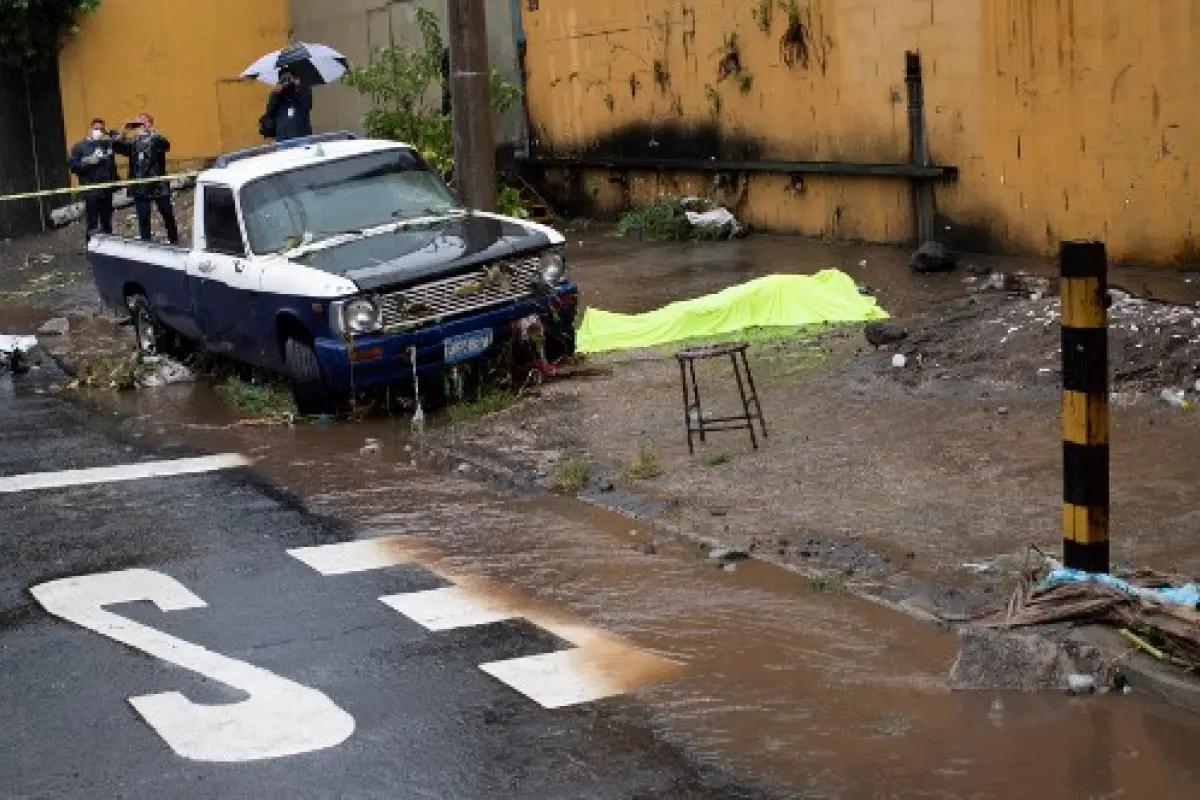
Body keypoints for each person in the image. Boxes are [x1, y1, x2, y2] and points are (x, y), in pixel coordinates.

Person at [113, 113, 178, 245]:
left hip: (158, 185)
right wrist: (123, 132)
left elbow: (166, 145)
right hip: (139, 186)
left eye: (143, 122)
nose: (140, 125)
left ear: (150, 124)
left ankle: (174, 239)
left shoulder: (156, 140)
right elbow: (116, 146)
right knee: (143, 217)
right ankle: (146, 242)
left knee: (167, 213)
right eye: (138, 122)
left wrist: (152, 133)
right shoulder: (133, 143)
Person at [68, 118, 120, 243]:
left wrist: (111, 133)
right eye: (96, 129)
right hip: (91, 190)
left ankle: (108, 248)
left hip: (106, 190)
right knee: (92, 222)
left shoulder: (106, 144)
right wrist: (89, 163)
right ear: (90, 129)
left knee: (106, 221)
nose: (99, 132)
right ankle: (91, 247)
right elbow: (73, 167)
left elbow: (119, 141)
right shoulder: (79, 147)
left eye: (101, 129)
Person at [263, 67, 313, 141]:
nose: (286, 82)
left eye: (288, 78)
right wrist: (274, 94)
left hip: (301, 137)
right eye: (283, 80)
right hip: (282, 138)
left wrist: (295, 86)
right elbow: (270, 113)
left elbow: (306, 105)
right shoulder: (278, 96)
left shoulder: (303, 91)